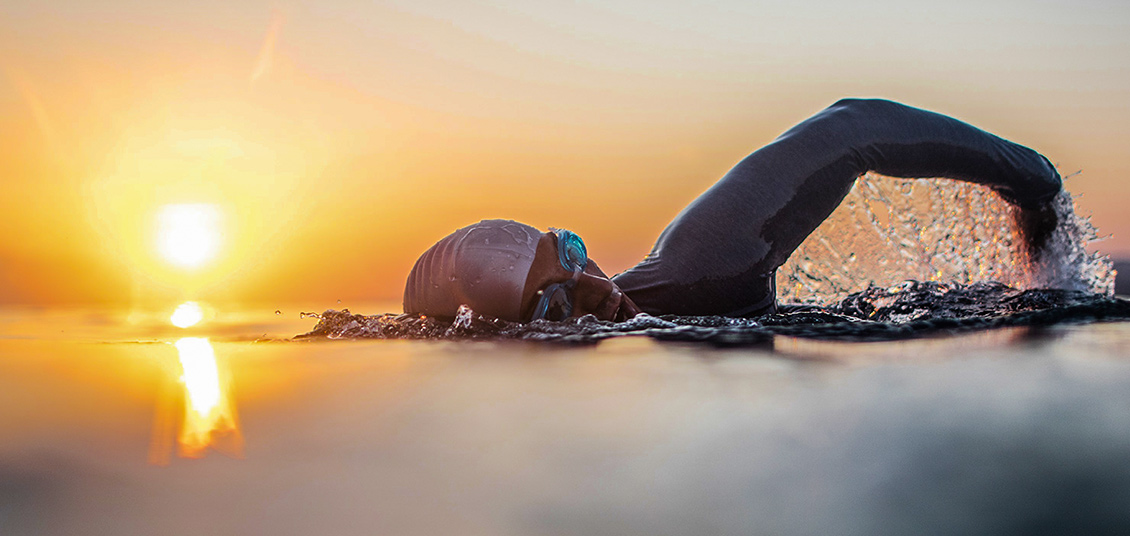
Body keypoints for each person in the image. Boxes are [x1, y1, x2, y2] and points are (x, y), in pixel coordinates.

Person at [402, 98, 1062, 323]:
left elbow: (850, 126)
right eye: (554, 304)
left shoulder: (701, 268)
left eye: (572, 253)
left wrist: (1031, 187)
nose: (597, 288)